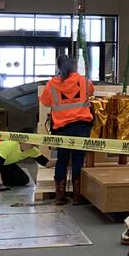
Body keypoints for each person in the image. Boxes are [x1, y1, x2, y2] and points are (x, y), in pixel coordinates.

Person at [39, 54, 94, 205]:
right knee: (78, 160)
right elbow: (91, 90)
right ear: (74, 66)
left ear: (58, 66)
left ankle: (60, 196)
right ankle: (77, 196)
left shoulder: (52, 84)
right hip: (82, 127)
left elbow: (44, 101)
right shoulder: (83, 81)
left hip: (61, 128)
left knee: (62, 159)